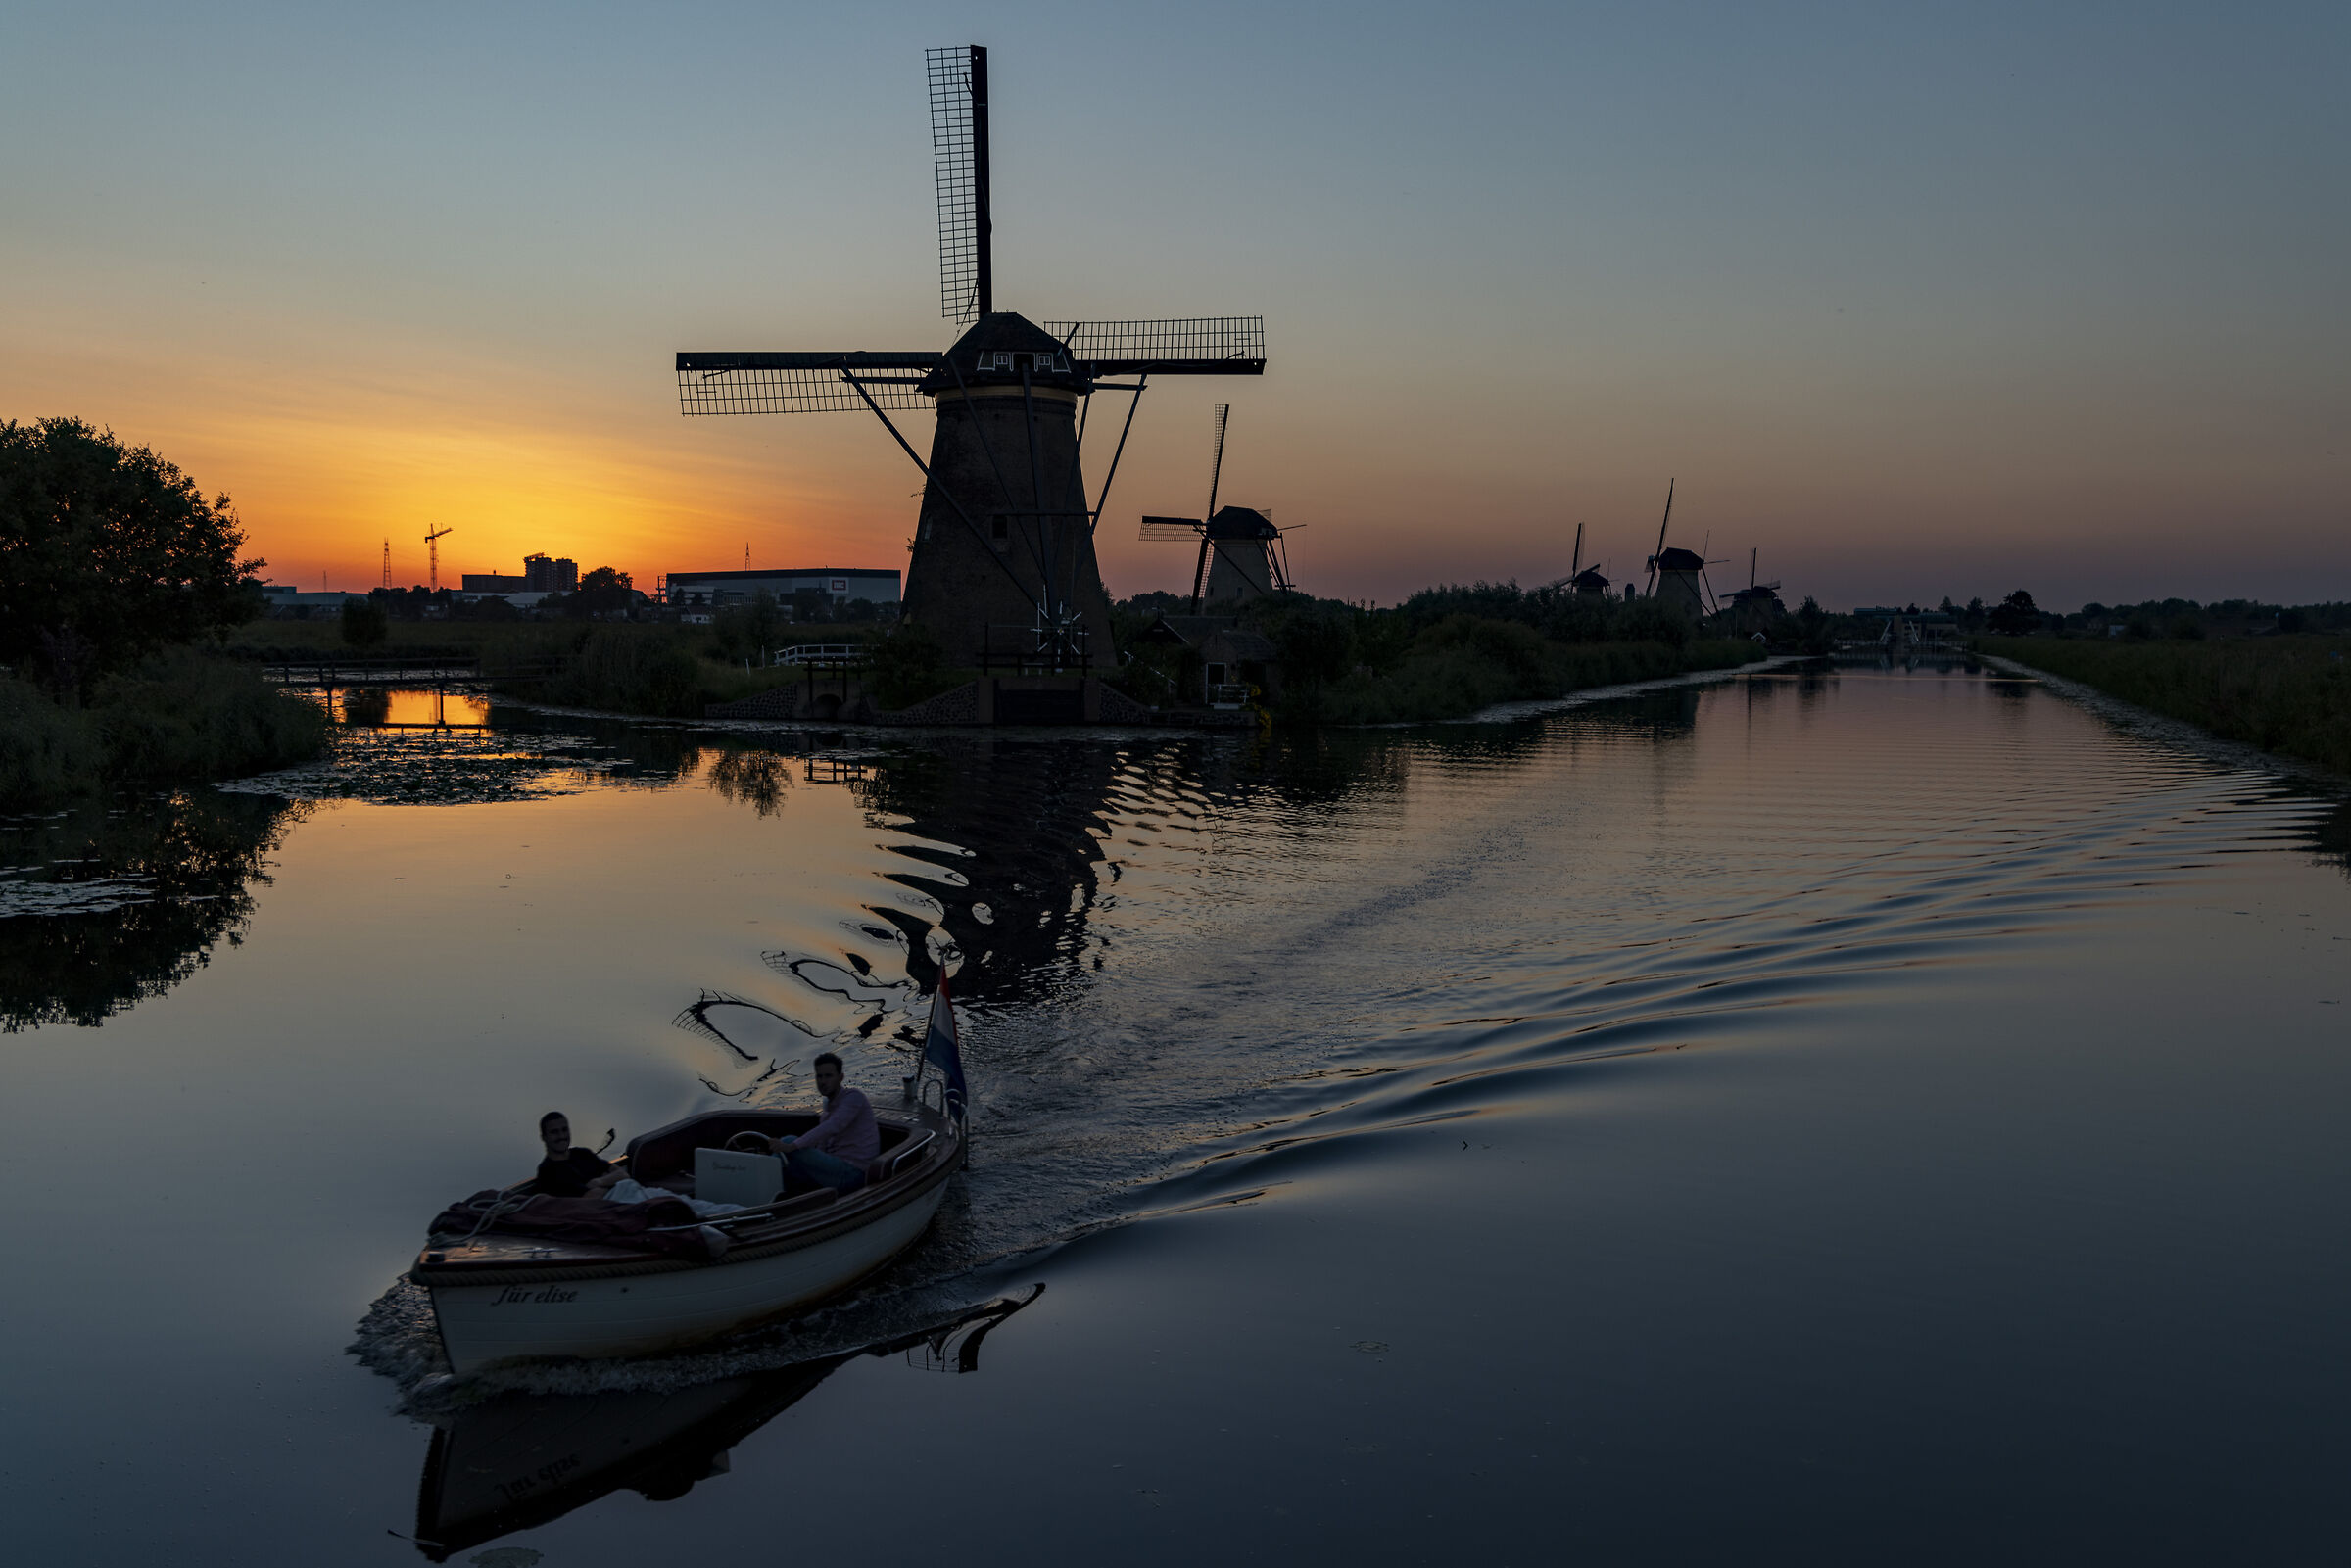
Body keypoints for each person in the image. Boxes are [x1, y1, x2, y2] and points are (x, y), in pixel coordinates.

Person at [762, 1052, 877, 1193]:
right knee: (789, 1166)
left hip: (854, 1174)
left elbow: (833, 1126)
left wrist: (792, 1146)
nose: (822, 1082)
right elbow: (823, 1143)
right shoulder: (828, 1108)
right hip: (835, 1170)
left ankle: (761, 1189)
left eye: (828, 1076)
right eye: (819, 1076)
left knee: (788, 1140)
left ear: (841, 1078)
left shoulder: (854, 1098)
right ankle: (771, 1199)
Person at [536, 1111, 624, 1197]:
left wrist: (598, 1182)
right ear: (544, 1137)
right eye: (554, 1132)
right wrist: (610, 1180)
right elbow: (589, 1198)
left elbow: (622, 1174)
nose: (562, 1136)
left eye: (564, 1130)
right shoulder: (547, 1172)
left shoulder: (583, 1153)